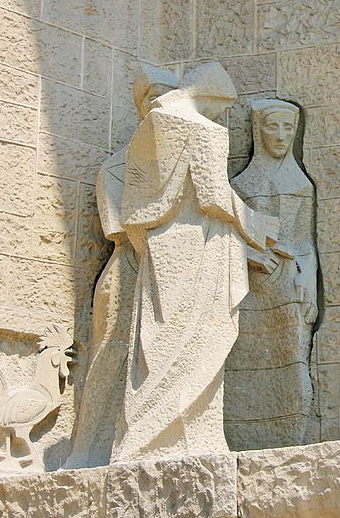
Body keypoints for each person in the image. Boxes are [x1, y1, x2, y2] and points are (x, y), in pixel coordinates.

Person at [109, 63, 279, 462]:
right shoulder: (204, 129)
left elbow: (136, 202)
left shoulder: (152, 125)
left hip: (162, 244)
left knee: (160, 337)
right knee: (202, 336)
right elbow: (213, 195)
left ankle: (146, 436)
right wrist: (256, 222)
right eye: (221, 109)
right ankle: (183, 438)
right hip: (201, 243)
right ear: (214, 98)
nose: (220, 117)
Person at [65, 67, 179, 469]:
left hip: (169, 276)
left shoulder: (184, 167)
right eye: (154, 97)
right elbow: (126, 229)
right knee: (109, 358)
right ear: (141, 106)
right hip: (130, 272)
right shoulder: (116, 168)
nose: (163, 105)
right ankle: (84, 452)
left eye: (172, 96)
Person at [225, 99, 319, 450]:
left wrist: (307, 277)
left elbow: (306, 240)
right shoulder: (241, 185)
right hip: (249, 288)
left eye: (288, 128)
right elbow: (225, 237)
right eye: (272, 127)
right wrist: (248, 255)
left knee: (291, 359)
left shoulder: (301, 185)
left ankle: (291, 437)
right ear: (257, 130)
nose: (281, 136)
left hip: (288, 282)